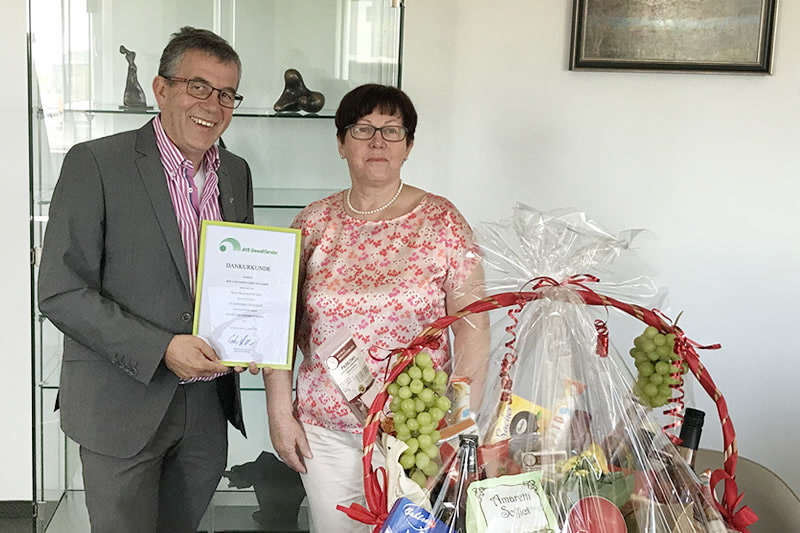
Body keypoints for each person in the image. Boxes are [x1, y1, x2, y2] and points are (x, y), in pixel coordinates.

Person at [38, 27, 254, 533]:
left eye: (227, 94)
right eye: (198, 87)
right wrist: (161, 349)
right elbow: (61, 291)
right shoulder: (95, 163)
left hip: (206, 405)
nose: (213, 105)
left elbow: (242, 273)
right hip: (120, 402)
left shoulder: (235, 172)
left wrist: (252, 329)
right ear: (161, 89)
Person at [263, 84, 490, 532]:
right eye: (363, 129)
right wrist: (278, 413)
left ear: (409, 145)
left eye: (392, 130)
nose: (378, 141)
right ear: (341, 143)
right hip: (325, 431)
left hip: (415, 430)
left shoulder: (442, 221)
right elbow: (277, 326)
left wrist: (458, 422)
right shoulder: (312, 222)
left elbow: (473, 327)